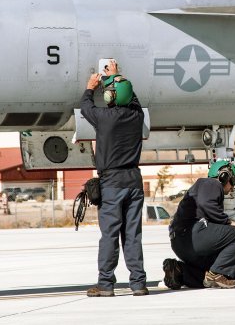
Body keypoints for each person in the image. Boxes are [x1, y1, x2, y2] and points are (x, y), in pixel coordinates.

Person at [80, 59, 148, 297]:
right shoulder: (137, 116)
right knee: (132, 235)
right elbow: (133, 99)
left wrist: (91, 86)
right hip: (134, 180)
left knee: (109, 235)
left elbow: (85, 107)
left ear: (110, 99)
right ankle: (138, 284)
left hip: (112, 182)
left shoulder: (104, 118)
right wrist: (117, 77)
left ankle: (106, 284)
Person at [163, 160, 235, 289]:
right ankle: (217, 274)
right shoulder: (211, 183)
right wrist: (228, 222)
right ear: (224, 176)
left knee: (207, 274)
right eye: (233, 181)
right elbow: (206, 204)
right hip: (193, 235)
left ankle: (179, 270)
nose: (232, 187)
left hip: (180, 242)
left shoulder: (202, 186)